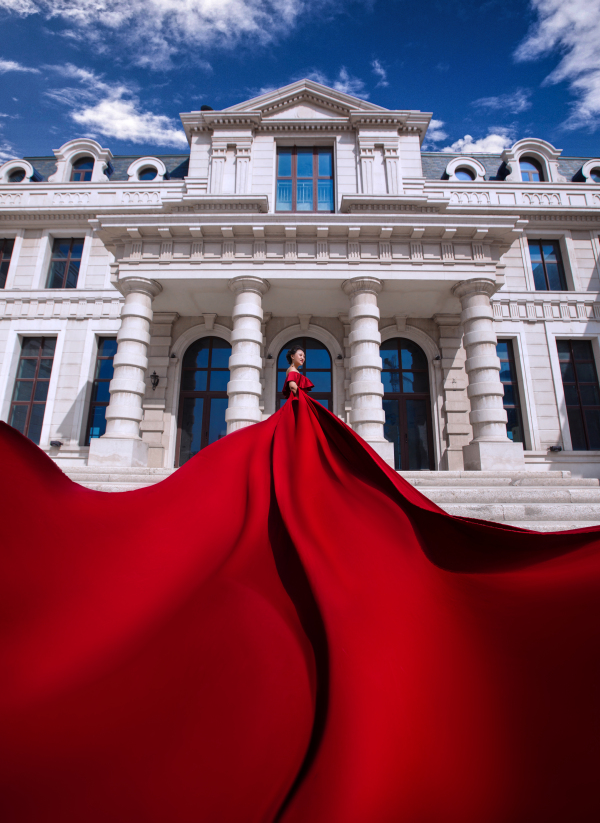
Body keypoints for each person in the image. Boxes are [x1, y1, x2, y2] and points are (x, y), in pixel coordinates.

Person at [2, 346, 600, 823]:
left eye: (299, 366)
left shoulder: (300, 399)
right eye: (295, 366)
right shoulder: (295, 399)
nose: (297, 370)